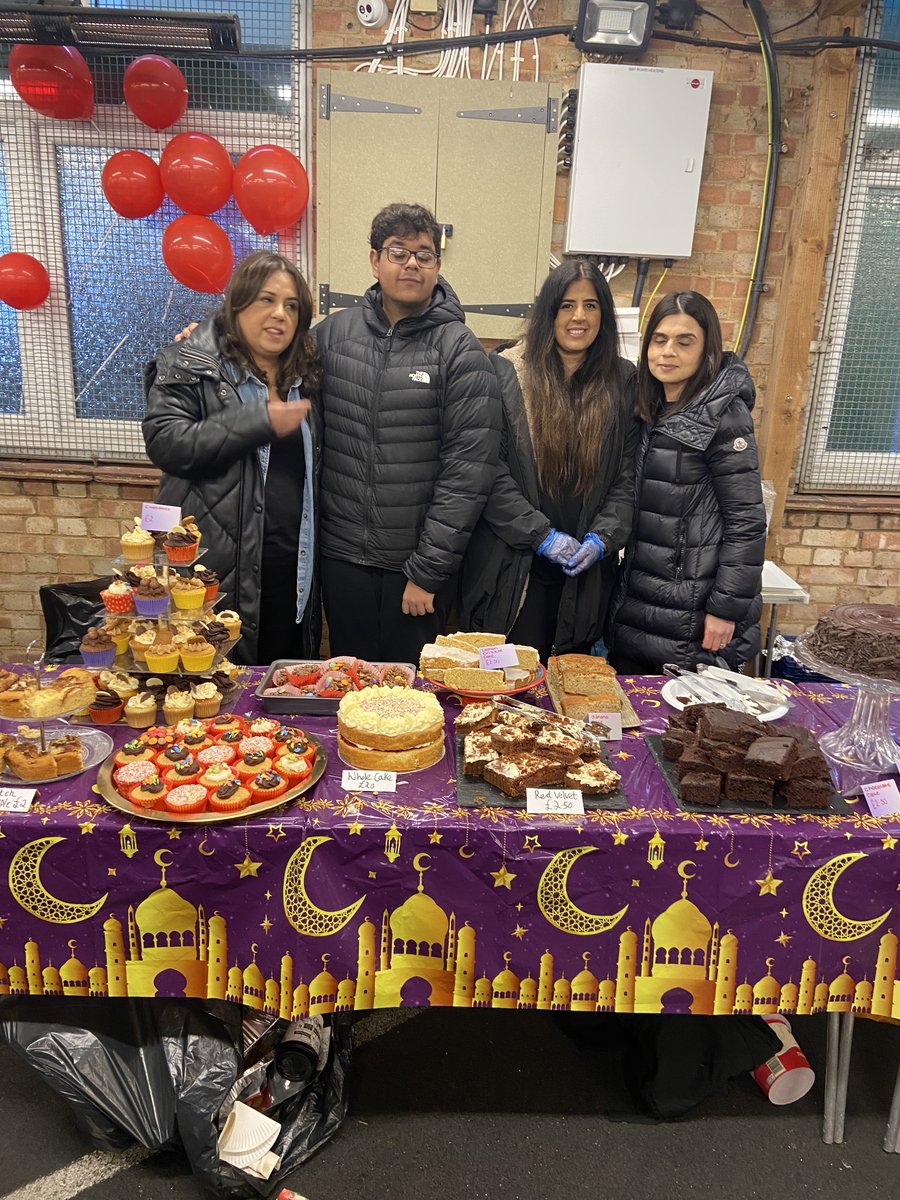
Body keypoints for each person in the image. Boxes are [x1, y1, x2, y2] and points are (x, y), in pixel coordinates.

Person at [313, 202, 501, 664]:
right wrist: (207, 343)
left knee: (413, 697)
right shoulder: (331, 337)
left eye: (425, 254)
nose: (412, 263)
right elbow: (266, 369)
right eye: (399, 252)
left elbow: (469, 472)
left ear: (437, 265)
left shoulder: (459, 350)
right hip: (341, 561)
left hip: (414, 571)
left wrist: (428, 572)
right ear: (374, 260)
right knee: (347, 688)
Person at [142, 250, 321, 666]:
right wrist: (256, 420)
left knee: (278, 702)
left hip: (291, 575)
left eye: (291, 305)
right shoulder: (190, 364)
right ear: (236, 304)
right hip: (216, 576)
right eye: (266, 299)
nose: (280, 314)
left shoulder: (307, 377)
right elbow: (167, 443)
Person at [459, 261, 639, 663]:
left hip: (586, 575)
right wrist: (540, 535)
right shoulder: (506, 371)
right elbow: (488, 471)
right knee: (507, 688)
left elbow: (628, 477)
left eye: (591, 306)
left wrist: (603, 538)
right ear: (548, 312)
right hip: (513, 570)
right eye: (566, 305)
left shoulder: (624, 381)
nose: (579, 316)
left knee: (571, 694)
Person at [608, 290, 766, 673]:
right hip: (642, 602)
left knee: (688, 728)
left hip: (696, 615)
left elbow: (746, 522)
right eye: (659, 340)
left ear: (706, 349)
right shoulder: (647, 408)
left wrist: (725, 611)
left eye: (684, 342)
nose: (668, 352)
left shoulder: (724, 415)